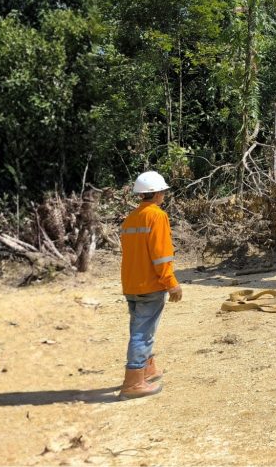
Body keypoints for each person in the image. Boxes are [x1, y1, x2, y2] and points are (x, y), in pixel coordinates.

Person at [117, 170, 182, 400]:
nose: (164, 194)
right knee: (143, 333)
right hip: (150, 285)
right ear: (156, 194)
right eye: (163, 191)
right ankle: (133, 383)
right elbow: (161, 256)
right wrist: (171, 283)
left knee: (140, 328)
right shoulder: (157, 216)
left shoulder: (131, 218)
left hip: (132, 284)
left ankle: (147, 369)